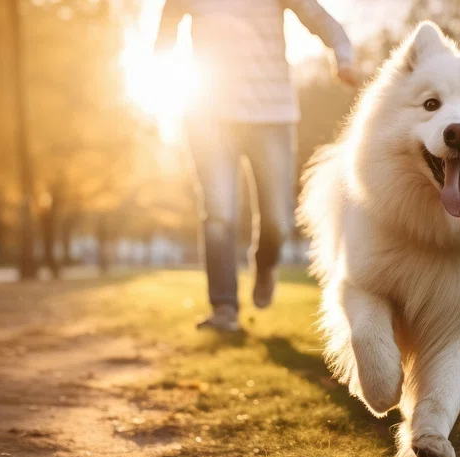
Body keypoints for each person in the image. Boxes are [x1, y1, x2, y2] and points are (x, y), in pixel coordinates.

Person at [154, 0, 359, 332]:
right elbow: (166, 30)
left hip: (272, 116)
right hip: (209, 115)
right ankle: (224, 308)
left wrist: (343, 56)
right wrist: (162, 67)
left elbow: (319, 18)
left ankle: (265, 264)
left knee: (277, 218)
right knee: (220, 213)